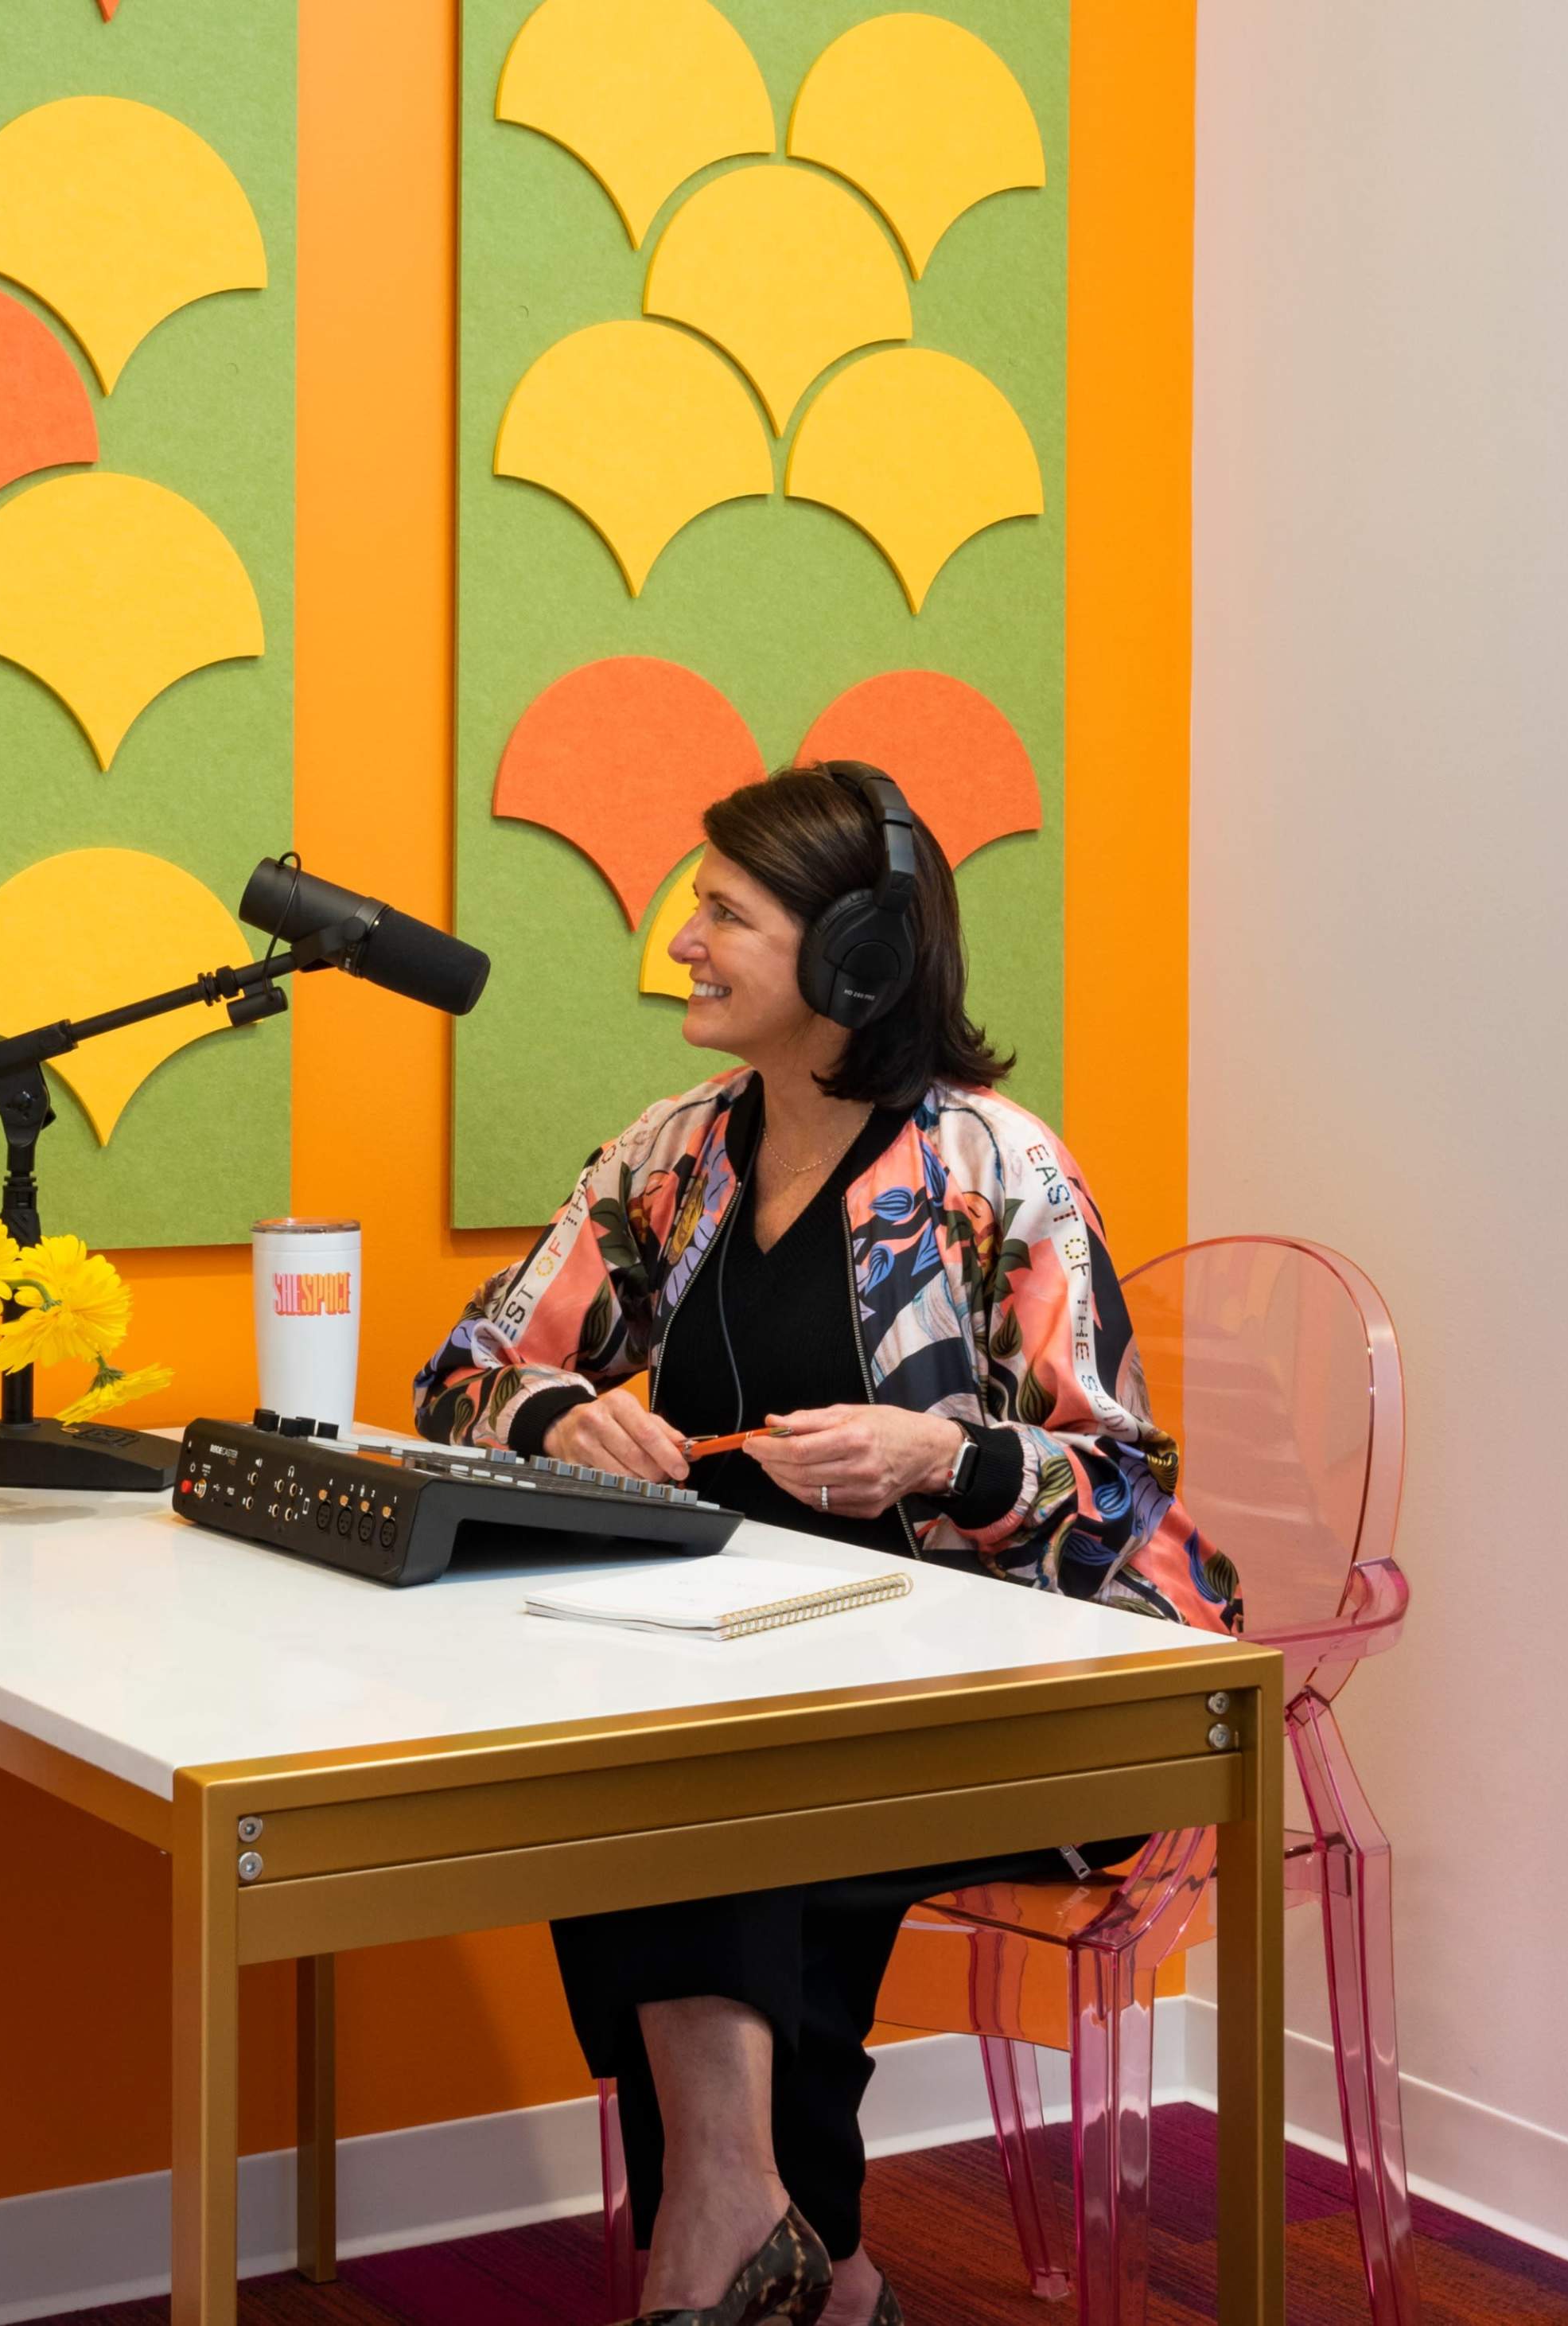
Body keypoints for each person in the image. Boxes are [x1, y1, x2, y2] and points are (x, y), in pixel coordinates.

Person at [414, 766, 1242, 2326]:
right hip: (780, 1692)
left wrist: (952, 1453)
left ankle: (761, 2244)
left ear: (857, 953)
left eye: (724, 911)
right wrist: (550, 1418)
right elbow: (460, 1372)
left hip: (1040, 1712)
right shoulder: (671, 1153)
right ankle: (779, 2251)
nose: (682, 942)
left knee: (704, 1797)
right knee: (655, 1770)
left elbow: (1128, 1494)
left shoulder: (996, 1170)